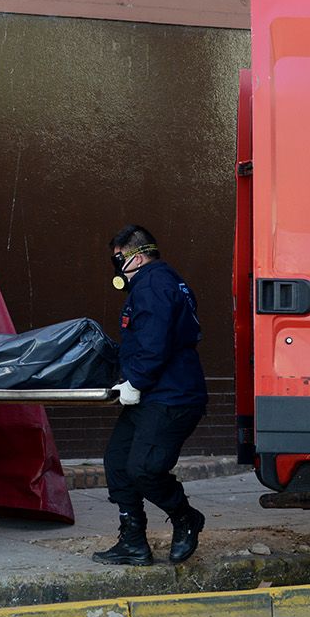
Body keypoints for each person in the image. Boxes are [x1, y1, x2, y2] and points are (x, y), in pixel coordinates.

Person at [93, 225, 208, 566]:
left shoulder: (153, 284)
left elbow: (155, 342)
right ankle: (133, 542)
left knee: (144, 468)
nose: (116, 268)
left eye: (119, 260)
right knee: (118, 461)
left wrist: (136, 381)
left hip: (170, 396)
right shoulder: (162, 282)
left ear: (137, 257)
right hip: (153, 393)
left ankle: (186, 517)